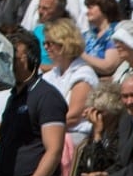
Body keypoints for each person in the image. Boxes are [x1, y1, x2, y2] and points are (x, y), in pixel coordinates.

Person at [42, 18, 99, 146]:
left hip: (74, 137)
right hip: (51, 133)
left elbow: (73, 116)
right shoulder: (50, 76)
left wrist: (42, 127)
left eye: (50, 43)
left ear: (64, 44)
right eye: (44, 43)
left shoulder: (83, 74)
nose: (46, 47)